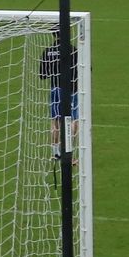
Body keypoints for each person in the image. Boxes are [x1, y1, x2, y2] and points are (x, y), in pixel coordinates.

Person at [39, 33, 78, 161]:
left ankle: (56, 153)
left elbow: (43, 75)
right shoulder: (73, 50)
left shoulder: (48, 51)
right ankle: (68, 152)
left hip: (55, 88)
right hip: (71, 89)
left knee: (55, 120)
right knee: (73, 120)